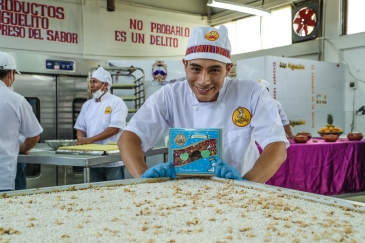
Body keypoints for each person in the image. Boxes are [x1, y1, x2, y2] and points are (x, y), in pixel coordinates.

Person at [118, 25, 289, 183]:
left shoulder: (251, 93)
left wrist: (246, 185)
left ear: (228, 69)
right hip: (184, 192)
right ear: (185, 65)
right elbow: (129, 138)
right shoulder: (171, 95)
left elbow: (276, 147)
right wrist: (144, 178)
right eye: (196, 69)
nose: (204, 80)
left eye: (214, 70)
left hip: (240, 194)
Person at [74, 67, 128, 182]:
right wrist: (81, 140)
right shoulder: (87, 105)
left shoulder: (116, 102)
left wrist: (90, 140)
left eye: (95, 82)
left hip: (113, 160)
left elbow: (114, 129)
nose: (91, 85)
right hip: (92, 159)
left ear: (105, 85)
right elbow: (80, 127)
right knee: (94, 194)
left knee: (115, 194)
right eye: (90, 82)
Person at [0, 51, 43, 192]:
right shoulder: (16, 100)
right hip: (4, 177)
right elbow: (34, 135)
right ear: (11, 74)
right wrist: (23, 148)